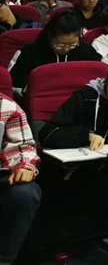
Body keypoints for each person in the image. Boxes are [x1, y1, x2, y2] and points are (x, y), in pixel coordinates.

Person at [39, 54, 108, 149]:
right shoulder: (85, 97)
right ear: (107, 83)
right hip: (83, 158)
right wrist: (86, 135)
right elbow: (48, 134)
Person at [9, 10, 100, 90]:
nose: (66, 48)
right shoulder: (29, 53)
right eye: (60, 44)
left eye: (72, 44)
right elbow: (14, 82)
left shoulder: (88, 51)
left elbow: (98, 78)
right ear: (49, 36)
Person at [0, 93, 41, 265]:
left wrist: (25, 166)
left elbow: (24, 147)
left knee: (25, 193)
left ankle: (5, 259)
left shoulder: (6, 107)